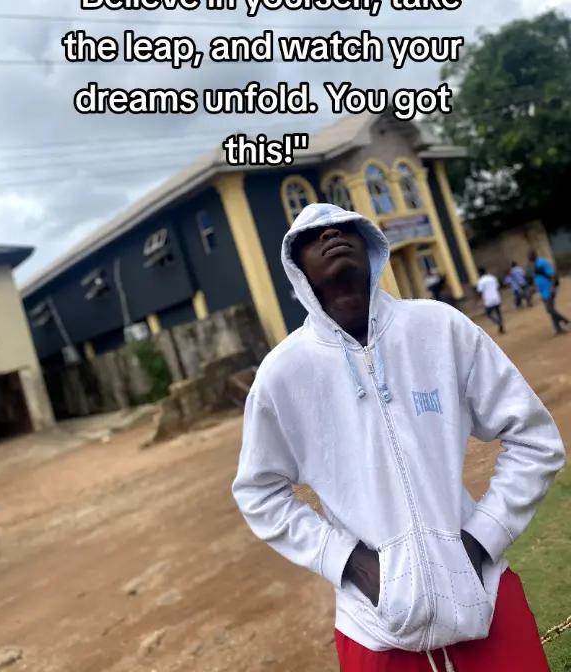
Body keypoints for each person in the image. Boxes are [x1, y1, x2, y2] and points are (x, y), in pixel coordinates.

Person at [232, 203, 565, 672]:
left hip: (486, 598)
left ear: (369, 245)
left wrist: (482, 538)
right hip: (374, 627)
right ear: (296, 267)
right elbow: (258, 491)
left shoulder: (438, 328)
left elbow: (534, 438)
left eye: (344, 227)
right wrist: (349, 561)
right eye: (314, 235)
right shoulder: (283, 375)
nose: (331, 235)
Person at [528, 249, 569, 335]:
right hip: (543, 291)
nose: (528, 258)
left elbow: (552, 275)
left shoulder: (542, 262)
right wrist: (535, 289)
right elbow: (537, 278)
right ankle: (558, 329)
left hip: (548, 289)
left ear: (534, 255)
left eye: (529, 256)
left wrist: (552, 287)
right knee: (551, 309)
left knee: (549, 309)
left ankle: (565, 320)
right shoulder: (534, 265)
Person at [476, 266, 505, 334]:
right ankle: (501, 325)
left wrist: (477, 300)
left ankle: (498, 322)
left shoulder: (481, 281)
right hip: (496, 298)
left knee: (488, 314)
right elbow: (498, 286)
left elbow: (479, 291)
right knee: (498, 313)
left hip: (489, 300)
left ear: (480, 273)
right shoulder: (492, 278)